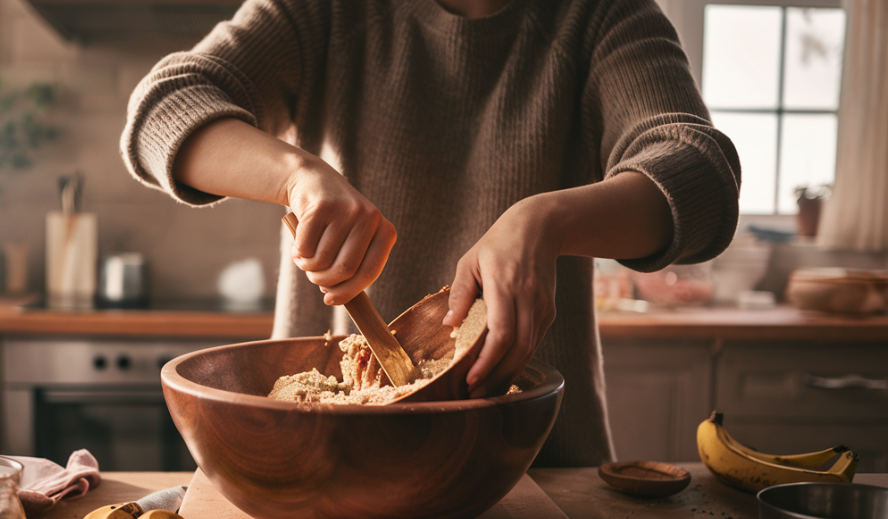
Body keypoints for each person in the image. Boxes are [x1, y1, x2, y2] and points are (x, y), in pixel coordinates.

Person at [121, 0, 741, 466]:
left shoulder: (600, 14)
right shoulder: (323, 10)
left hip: (537, 468)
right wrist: (295, 176)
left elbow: (702, 176)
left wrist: (545, 220)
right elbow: (162, 108)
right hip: (331, 460)